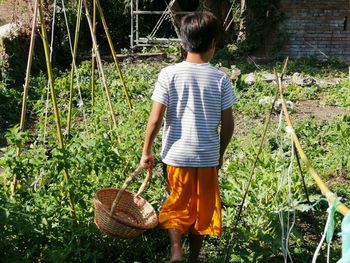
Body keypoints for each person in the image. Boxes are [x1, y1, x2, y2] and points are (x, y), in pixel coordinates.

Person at [140, 11, 236, 263]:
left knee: (177, 203)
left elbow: (155, 119)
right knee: (201, 209)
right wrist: (220, 154)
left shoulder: (168, 74)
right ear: (214, 43)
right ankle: (193, 258)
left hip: (176, 156)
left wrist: (146, 151)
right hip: (206, 158)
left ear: (183, 43)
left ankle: (176, 250)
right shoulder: (220, 79)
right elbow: (228, 125)